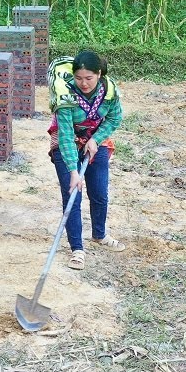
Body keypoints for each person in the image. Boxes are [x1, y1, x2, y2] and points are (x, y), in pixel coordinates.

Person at [47, 50, 126, 270]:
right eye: (79, 78)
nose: (84, 83)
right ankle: (77, 249)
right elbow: (64, 134)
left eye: (89, 78)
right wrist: (73, 171)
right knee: (73, 194)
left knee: (99, 192)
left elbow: (114, 117)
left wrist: (97, 139)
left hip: (95, 139)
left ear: (99, 74)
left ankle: (99, 235)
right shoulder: (65, 96)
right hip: (68, 141)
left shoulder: (109, 91)